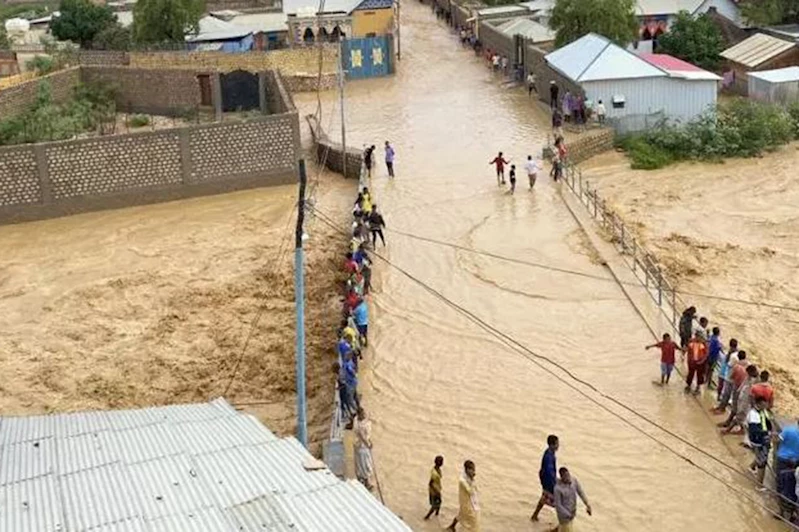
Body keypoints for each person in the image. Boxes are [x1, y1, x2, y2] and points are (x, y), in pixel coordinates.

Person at [552, 467, 591, 532]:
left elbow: (580, 492)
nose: (568, 478)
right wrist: (568, 514)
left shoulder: (574, 481)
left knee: (565, 528)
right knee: (566, 528)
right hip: (564, 517)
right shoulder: (557, 489)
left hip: (572, 512)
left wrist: (587, 504)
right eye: (566, 476)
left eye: (568, 475)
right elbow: (558, 505)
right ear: (562, 478)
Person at [747, 397, 773, 488]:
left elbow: (768, 422)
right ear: (758, 404)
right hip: (758, 440)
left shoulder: (763, 411)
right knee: (762, 462)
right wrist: (767, 433)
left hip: (764, 439)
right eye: (764, 404)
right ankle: (759, 485)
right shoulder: (753, 415)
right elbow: (754, 430)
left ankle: (751, 467)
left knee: (760, 455)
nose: (766, 405)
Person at [531, 434, 559, 521]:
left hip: (546, 480)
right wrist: (555, 482)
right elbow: (549, 471)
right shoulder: (549, 456)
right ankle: (561, 523)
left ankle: (535, 515)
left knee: (544, 498)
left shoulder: (549, 453)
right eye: (557, 443)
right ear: (552, 445)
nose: (558, 445)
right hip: (548, 481)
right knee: (559, 502)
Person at [447, 460, 480, 532]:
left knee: (461, 514)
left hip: (466, 500)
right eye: (472, 469)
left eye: (474, 469)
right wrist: (472, 480)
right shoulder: (462, 480)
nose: (474, 471)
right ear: (467, 470)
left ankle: (452, 526)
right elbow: (470, 491)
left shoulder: (466, 476)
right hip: (466, 502)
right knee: (473, 522)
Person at [776, 420, 799, 515]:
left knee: (780, 485)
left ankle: (780, 511)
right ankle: (792, 512)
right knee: (793, 487)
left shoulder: (788, 430)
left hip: (783, 460)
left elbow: (777, 441)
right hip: (795, 462)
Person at [685, 331, 708, 395]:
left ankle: (698, 388)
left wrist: (702, 361)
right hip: (692, 361)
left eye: (700, 337)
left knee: (699, 375)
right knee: (690, 374)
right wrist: (689, 360)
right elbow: (688, 351)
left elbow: (706, 354)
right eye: (697, 336)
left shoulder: (704, 344)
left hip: (700, 362)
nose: (698, 338)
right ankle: (688, 385)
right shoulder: (691, 342)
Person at [424, 455, 444, 520]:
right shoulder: (434, 473)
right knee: (434, 505)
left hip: (437, 488)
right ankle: (427, 517)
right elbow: (430, 483)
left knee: (439, 502)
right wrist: (435, 491)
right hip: (434, 490)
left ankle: (437, 514)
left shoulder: (438, 470)